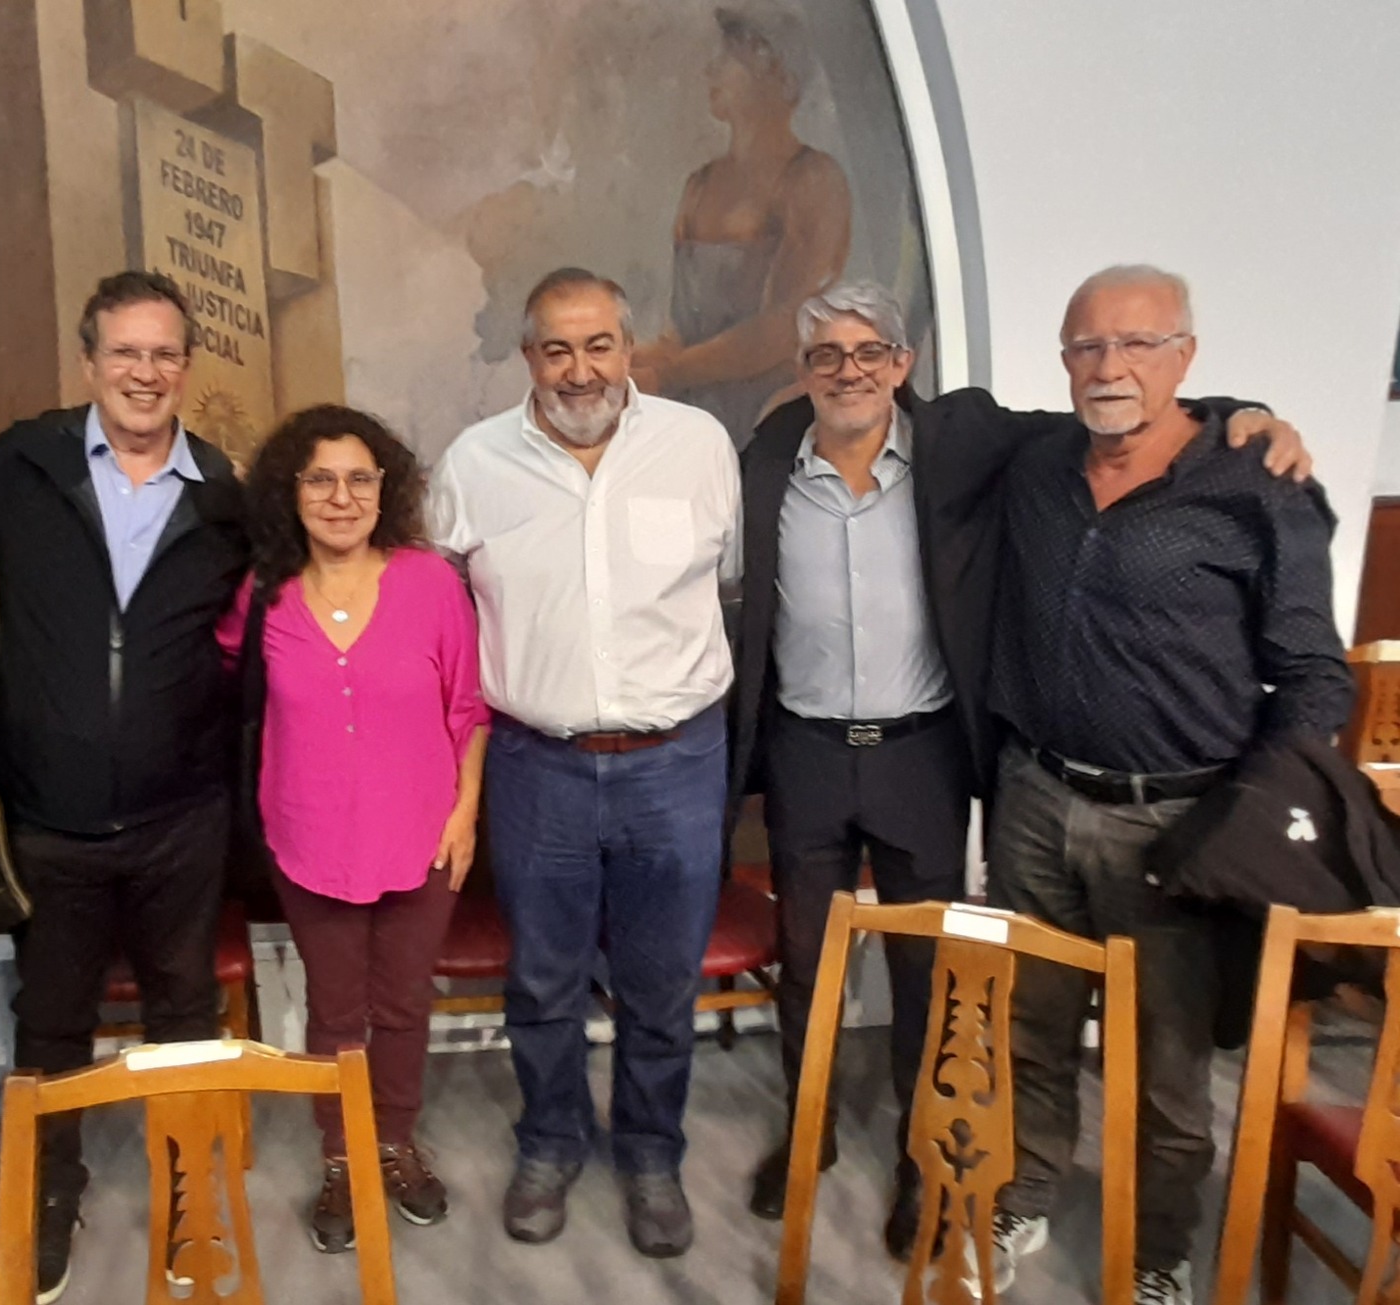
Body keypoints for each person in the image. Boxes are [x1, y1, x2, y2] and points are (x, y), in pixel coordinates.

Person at [727, 281, 1307, 1262]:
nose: (848, 371)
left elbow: (1110, 407)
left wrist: (1238, 413)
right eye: (826, 354)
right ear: (802, 369)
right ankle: (807, 1129)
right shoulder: (768, 452)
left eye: (868, 352)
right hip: (805, 752)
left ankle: (921, 1158)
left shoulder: (962, 437)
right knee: (807, 962)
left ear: (902, 363)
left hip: (921, 754)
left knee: (928, 973)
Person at [979, 265, 1354, 1304]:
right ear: (1062, 360)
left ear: (1184, 355)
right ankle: (1024, 1194)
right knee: (1032, 1029)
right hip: (1035, 800)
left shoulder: (1257, 484)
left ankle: (1156, 1252)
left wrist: (1249, 817)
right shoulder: (1037, 463)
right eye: (1087, 346)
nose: (1110, 367)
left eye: (1138, 344)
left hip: (1179, 824)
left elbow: (1314, 674)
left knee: (1168, 1067)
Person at [0, 270, 247, 1302]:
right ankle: (49, 1194)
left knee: (184, 1013)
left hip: (181, 817)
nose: (144, 373)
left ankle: (187, 1198)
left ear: (186, 368)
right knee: (49, 1021)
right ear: (89, 362)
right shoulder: (17, 468)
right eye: (125, 352)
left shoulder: (224, 496)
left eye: (163, 354)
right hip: (47, 816)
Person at [428, 267, 741, 1258]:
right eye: (557, 349)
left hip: (675, 762)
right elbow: (440, 608)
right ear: (528, 357)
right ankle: (551, 1142)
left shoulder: (698, 446)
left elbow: (729, 580)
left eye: (598, 344)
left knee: (661, 981)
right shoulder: (474, 463)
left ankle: (649, 1153)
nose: (579, 369)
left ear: (628, 348)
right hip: (537, 765)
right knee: (543, 980)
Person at [218, 404, 489, 1253]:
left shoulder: (430, 582)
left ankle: (395, 1142)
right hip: (308, 841)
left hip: (425, 836)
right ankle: (340, 1155)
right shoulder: (262, 597)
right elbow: (225, 694)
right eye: (321, 479)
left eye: (359, 478)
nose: (342, 497)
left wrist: (466, 812)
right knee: (334, 1011)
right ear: (291, 491)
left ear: (385, 489)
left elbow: (469, 707)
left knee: (403, 1003)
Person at [628, 3, 850, 447]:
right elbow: (681, 328)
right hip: (692, 408)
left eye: (728, 60)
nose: (711, 71)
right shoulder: (700, 184)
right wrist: (616, 363)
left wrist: (669, 373)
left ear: (775, 75)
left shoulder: (812, 179)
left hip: (769, 418)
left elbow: (786, 326)